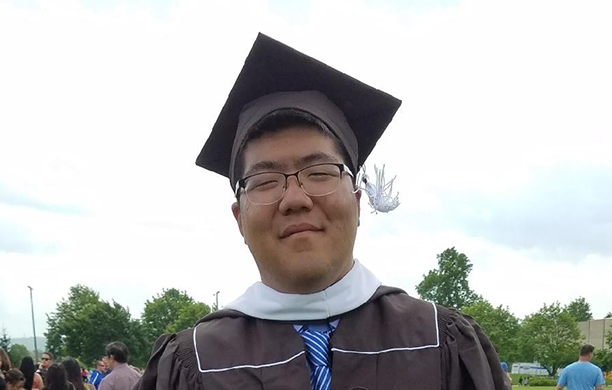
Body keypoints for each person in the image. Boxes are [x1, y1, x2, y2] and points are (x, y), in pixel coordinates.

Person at [135, 33, 510, 390]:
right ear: (239, 219)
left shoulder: (441, 342)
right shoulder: (191, 363)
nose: (295, 198)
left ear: (358, 202)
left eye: (320, 173)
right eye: (265, 181)